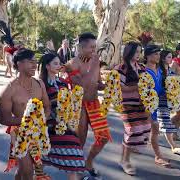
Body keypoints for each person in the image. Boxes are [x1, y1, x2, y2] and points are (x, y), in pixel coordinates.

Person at [0, 48, 51, 180]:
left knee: (32, 169)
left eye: (35, 61)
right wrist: (27, 121)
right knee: (27, 171)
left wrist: (42, 120)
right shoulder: (9, 90)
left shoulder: (40, 84)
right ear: (18, 64)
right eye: (30, 61)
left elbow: (47, 106)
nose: (34, 65)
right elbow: (3, 119)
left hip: (39, 132)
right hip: (19, 133)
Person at [64, 32, 108, 178]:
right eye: (91, 47)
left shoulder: (94, 61)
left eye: (95, 47)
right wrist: (95, 64)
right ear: (82, 48)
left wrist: (108, 85)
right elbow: (83, 83)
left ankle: (88, 163)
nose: (94, 50)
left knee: (103, 137)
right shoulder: (72, 64)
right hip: (79, 105)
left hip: (94, 103)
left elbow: (98, 84)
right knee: (79, 141)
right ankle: (76, 171)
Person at [39, 53, 85, 180]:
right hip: (47, 128)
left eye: (59, 63)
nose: (59, 66)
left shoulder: (63, 83)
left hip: (65, 127)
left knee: (74, 157)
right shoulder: (40, 84)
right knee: (40, 162)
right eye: (55, 63)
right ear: (47, 66)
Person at [114, 42, 151, 175]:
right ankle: (125, 161)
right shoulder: (120, 68)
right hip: (127, 104)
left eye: (139, 52)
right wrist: (137, 87)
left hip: (141, 105)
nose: (138, 54)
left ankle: (125, 157)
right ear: (129, 52)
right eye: (136, 52)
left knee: (144, 129)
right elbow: (119, 87)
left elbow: (147, 84)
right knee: (132, 131)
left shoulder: (141, 67)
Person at [144, 45, 172, 168]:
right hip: (146, 106)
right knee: (153, 128)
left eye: (159, 54)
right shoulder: (143, 71)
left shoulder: (160, 70)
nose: (158, 56)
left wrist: (169, 93)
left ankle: (157, 155)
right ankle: (158, 156)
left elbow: (160, 88)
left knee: (153, 129)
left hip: (156, 105)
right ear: (148, 55)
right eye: (155, 54)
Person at [158, 50, 180, 152]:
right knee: (165, 121)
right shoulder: (159, 70)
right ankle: (173, 146)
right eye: (169, 57)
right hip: (160, 100)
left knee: (155, 122)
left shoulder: (169, 69)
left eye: (171, 57)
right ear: (163, 58)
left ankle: (147, 139)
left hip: (168, 100)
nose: (171, 59)